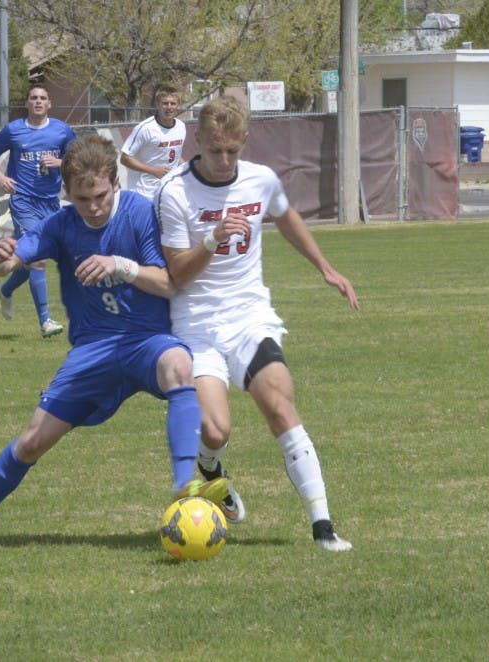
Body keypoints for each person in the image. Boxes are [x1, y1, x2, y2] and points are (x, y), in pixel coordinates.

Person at [0, 134, 228, 550]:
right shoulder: (60, 224)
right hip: (93, 352)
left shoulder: (140, 214)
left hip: (146, 341)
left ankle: (184, 488)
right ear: (66, 192)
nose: (93, 206)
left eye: (101, 196)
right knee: (31, 442)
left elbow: (168, 284)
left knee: (178, 364)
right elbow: (17, 256)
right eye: (82, 198)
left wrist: (120, 266)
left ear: (115, 185)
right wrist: (1, 262)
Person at [156, 96, 360, 552]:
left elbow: (285, 216)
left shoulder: (260, 180)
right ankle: (212, 468)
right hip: (196, 326)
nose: (224, 161)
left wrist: (324, 267)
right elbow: (176, 275)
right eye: (214, 151)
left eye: (232, 150)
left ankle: (323, 525)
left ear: (244, 142)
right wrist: (212, 238)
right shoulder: (173, 191)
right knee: (215, 431)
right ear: (198, 141)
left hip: (250, 317)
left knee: (281, 407)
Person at [0, 83, 76, 338]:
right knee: (38, 259)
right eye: (33, 98)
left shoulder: (62, 131)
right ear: (26, 103)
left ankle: (5, 290)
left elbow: (77, 158)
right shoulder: (14, 130)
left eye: (43, 98)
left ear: (49, 104)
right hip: (23, 201)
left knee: (27, 257)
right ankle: (45, 320)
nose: (38, 101)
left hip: (50, 203)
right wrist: (0, 177)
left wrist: (60, 162)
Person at [120, 85, 186, 200]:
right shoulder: (145, 128)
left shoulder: (181, 127)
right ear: (157, 105)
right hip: (144, 193)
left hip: (168, 191)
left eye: (173, 103)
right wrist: (153, 170)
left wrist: (188, 168)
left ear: (178, 105)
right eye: (165, 103)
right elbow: (125, 158)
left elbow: (175, 155)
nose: (169, 107)